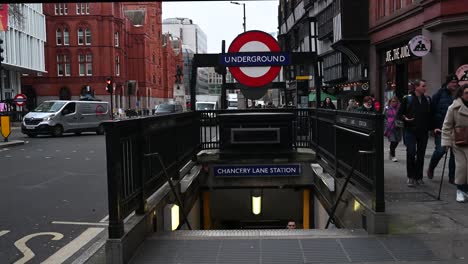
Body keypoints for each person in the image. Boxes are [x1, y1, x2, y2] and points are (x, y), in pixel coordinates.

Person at [398, 79, 432, 187]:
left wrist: (432, 127)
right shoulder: (407, 99)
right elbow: (400, 114)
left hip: (423, 131)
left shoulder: (427, 99)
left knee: (421, 154)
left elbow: (431, 114)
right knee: (411, 153)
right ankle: (410, 177)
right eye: (423, 86)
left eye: (425, 86)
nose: (425, 88)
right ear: (416, 87)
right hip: (410, 130)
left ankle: (419, 176)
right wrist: (405, 118)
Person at [427, 74, 459, 184]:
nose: (455, 85)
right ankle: (431, 167)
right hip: (440, 128)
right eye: (453, 83)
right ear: (447, 83)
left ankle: (452, 177)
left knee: (454, 154)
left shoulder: (459, 94)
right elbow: (431, 112)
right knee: (440, 150)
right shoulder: (438, 95)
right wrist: (433, 127)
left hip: (456, 129)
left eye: (456, 83)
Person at [441, 84, 468, 202]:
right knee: (462, 166)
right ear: (461, 93)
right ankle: (460, 190)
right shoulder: (454, 107)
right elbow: (447, 125)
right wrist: (446, 142)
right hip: (459, 141)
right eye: (467, 92)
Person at [384, 96, 402, 162]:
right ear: (390, 102)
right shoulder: (387, 108)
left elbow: (402, 116)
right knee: (393, 141)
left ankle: (391, 151)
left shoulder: (399, 108)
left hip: (397, 127)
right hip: (390, 127)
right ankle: (393, 156)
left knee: (397, 141)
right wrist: (387, 123)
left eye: (395, 101)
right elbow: (384, 117)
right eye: (392, 101)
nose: (394, 103)